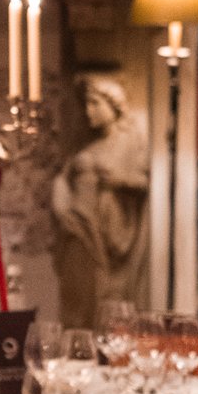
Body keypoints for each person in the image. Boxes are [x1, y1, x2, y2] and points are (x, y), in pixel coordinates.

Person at [50, 71, 149, 325]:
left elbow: (144, 182)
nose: (88, 110)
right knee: (77, 298)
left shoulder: (130, 143)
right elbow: (62, 179)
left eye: (95, 103)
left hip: (110, 232)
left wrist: (118, 179)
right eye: (86, 103)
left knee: (107, 301)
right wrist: (62, 209)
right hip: (77, 228)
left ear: (113, 105)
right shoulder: (87, 147)